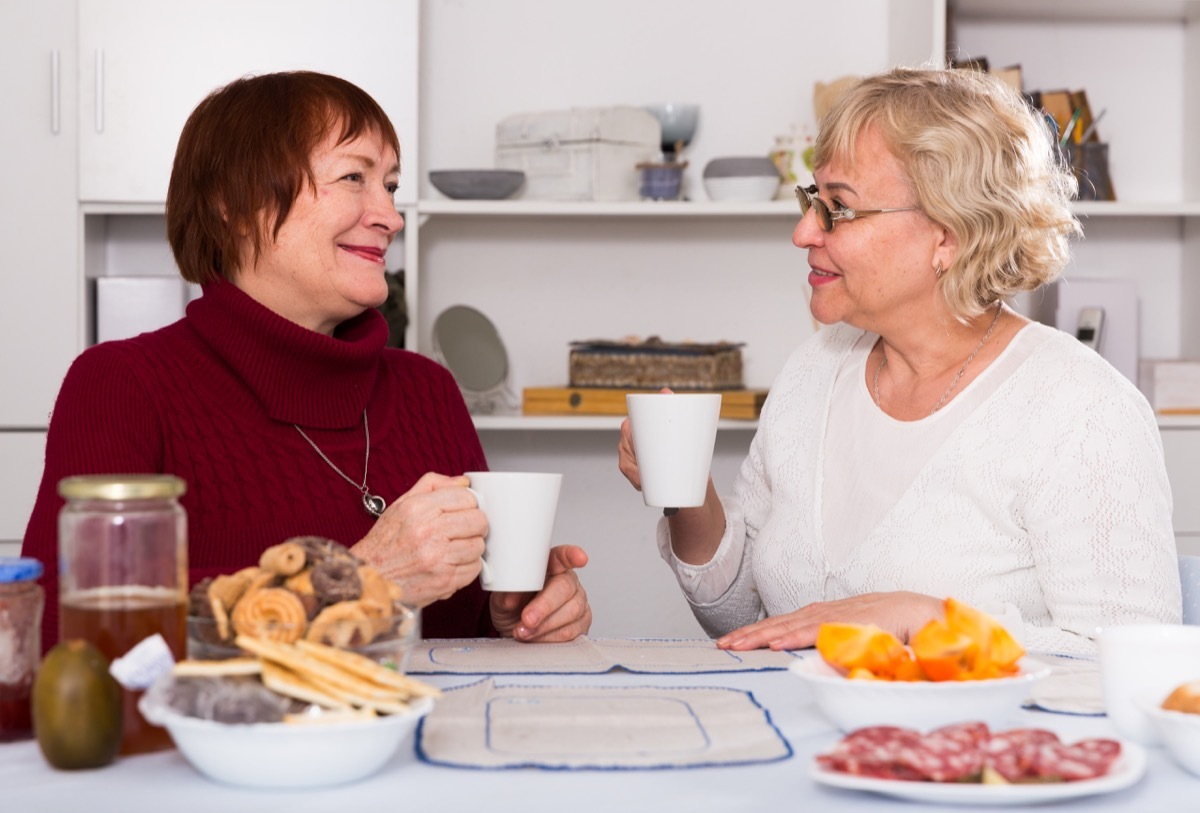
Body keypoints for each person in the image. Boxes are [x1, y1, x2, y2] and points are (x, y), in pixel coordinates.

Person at [618, 65, 1179, 656]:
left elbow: (1138, 663)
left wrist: (926, 619)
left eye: (838, 207)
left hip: (974, 749)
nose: (804, 231)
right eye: (813, 198)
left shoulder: (1081, 409)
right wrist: (688, 497)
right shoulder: (815, 369)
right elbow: (748, 620)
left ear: (949, 236)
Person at [23, 70, 591, 652]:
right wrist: (353, 582)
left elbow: (458, 633)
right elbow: (61, 628)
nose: (390, 217)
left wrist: (515, 616)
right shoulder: (122, 385)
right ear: (233, 203)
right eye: (354, 177)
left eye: (391, 187)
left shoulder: (430, 391)